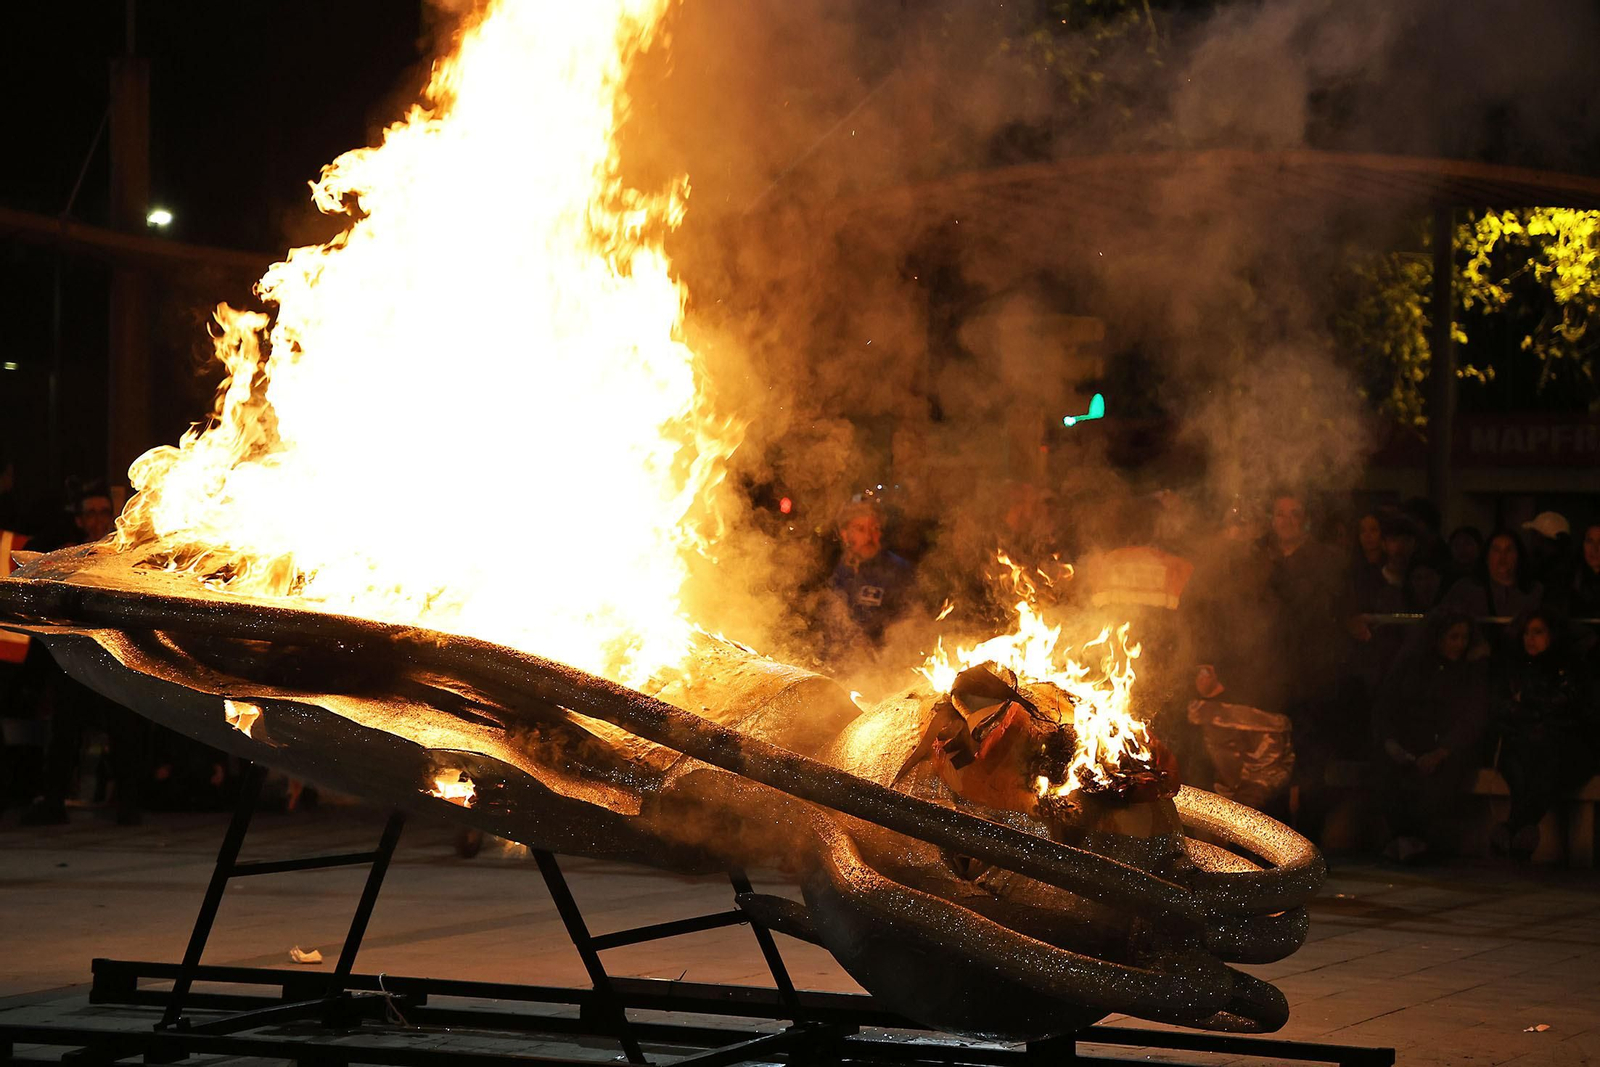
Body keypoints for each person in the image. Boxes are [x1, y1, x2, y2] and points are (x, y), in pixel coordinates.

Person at [1371, 609, 1488, 863]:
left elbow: (1470, 721)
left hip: (1445, 747)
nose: (1459, 644)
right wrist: (1391, 742)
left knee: (1441, 778)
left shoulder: (1468, 673)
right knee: (1385, 769)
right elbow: (1387, 706)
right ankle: (1400, 836)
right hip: (1408, 741)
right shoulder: (1413, 667)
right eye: (1453, 637)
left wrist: (1441, 751)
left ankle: (1418, 839)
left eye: (1464, 637)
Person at [1489, 609, 1598, 860]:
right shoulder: (1515, 666)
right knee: (1519, 758)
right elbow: (1502, 707)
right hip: (1522, 741)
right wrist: (1527, 710)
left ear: (1552, 635)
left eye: (1538, 632)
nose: (1530, 639)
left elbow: (1568, 705)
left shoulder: (1568, 666)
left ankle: (1513, 827)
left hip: (1564, 744)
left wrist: (1527, 703)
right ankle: (1520, 831)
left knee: (1547, 758)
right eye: (1526, 632)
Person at [826, 499, 913, 658]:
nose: (869, 536)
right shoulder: (828, 569)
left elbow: (908, 626)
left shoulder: (899, 571)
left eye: (875, 528)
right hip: (833, 663)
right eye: (860, 529)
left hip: (879, 669)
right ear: (845, 534)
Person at [1441, 529, 1543, 652]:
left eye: (1509, 550)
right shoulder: (1464, 589)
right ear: (1486, 556)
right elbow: (1441, 623)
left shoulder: (1535, 591)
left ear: (1518, 556)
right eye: (1496, 550)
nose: (1502, 557)